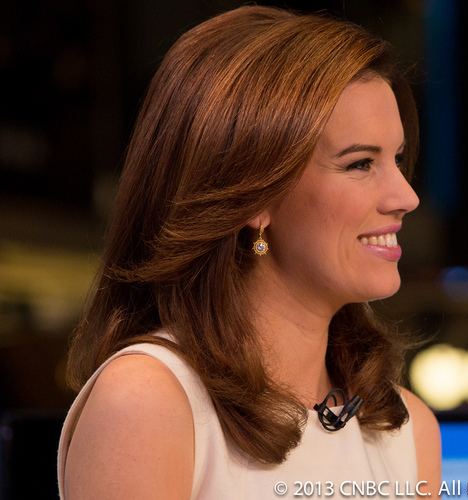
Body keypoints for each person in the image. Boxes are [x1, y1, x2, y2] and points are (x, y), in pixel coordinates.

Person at [56, 4, 442, 500]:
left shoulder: (407, 428)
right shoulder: (147, 401)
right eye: (361, 163)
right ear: (254, 197)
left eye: (399, 159)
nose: (405, 197)